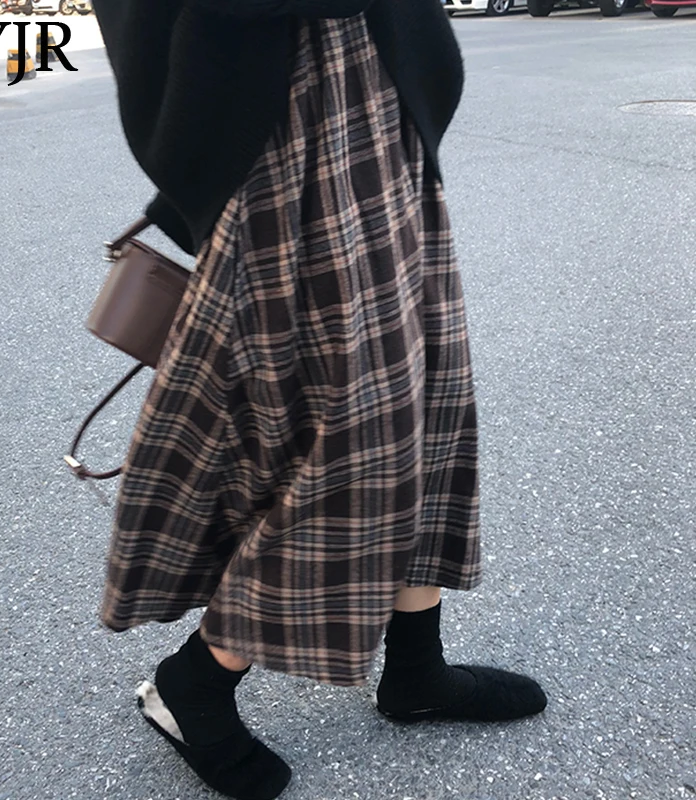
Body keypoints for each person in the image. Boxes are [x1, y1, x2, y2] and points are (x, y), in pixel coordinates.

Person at [90, 2, 547, 799]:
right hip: (284, 119)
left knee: (425, 403)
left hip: (376, 94)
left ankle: (415, 666)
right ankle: (197, 681)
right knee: (357, 436)